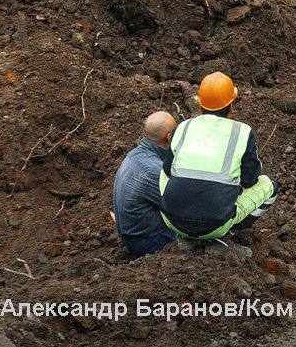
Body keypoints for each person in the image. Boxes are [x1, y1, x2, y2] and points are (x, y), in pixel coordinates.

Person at [159, 72, 277, 254]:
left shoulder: (183, 127)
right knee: (270, 185)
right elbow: (250, 181)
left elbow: (168, 170)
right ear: (231, 106)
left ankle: (186, 238)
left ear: (200, 103)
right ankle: (223, 236)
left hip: (172, 220)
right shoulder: (242, 132)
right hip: (215, 225)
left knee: (165, 172)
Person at [112, 111, 178, 257]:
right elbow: (180, 206)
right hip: (149, 241)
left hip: (134, 235)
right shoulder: (154, 171)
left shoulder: (135, 155)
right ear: (169, 137)